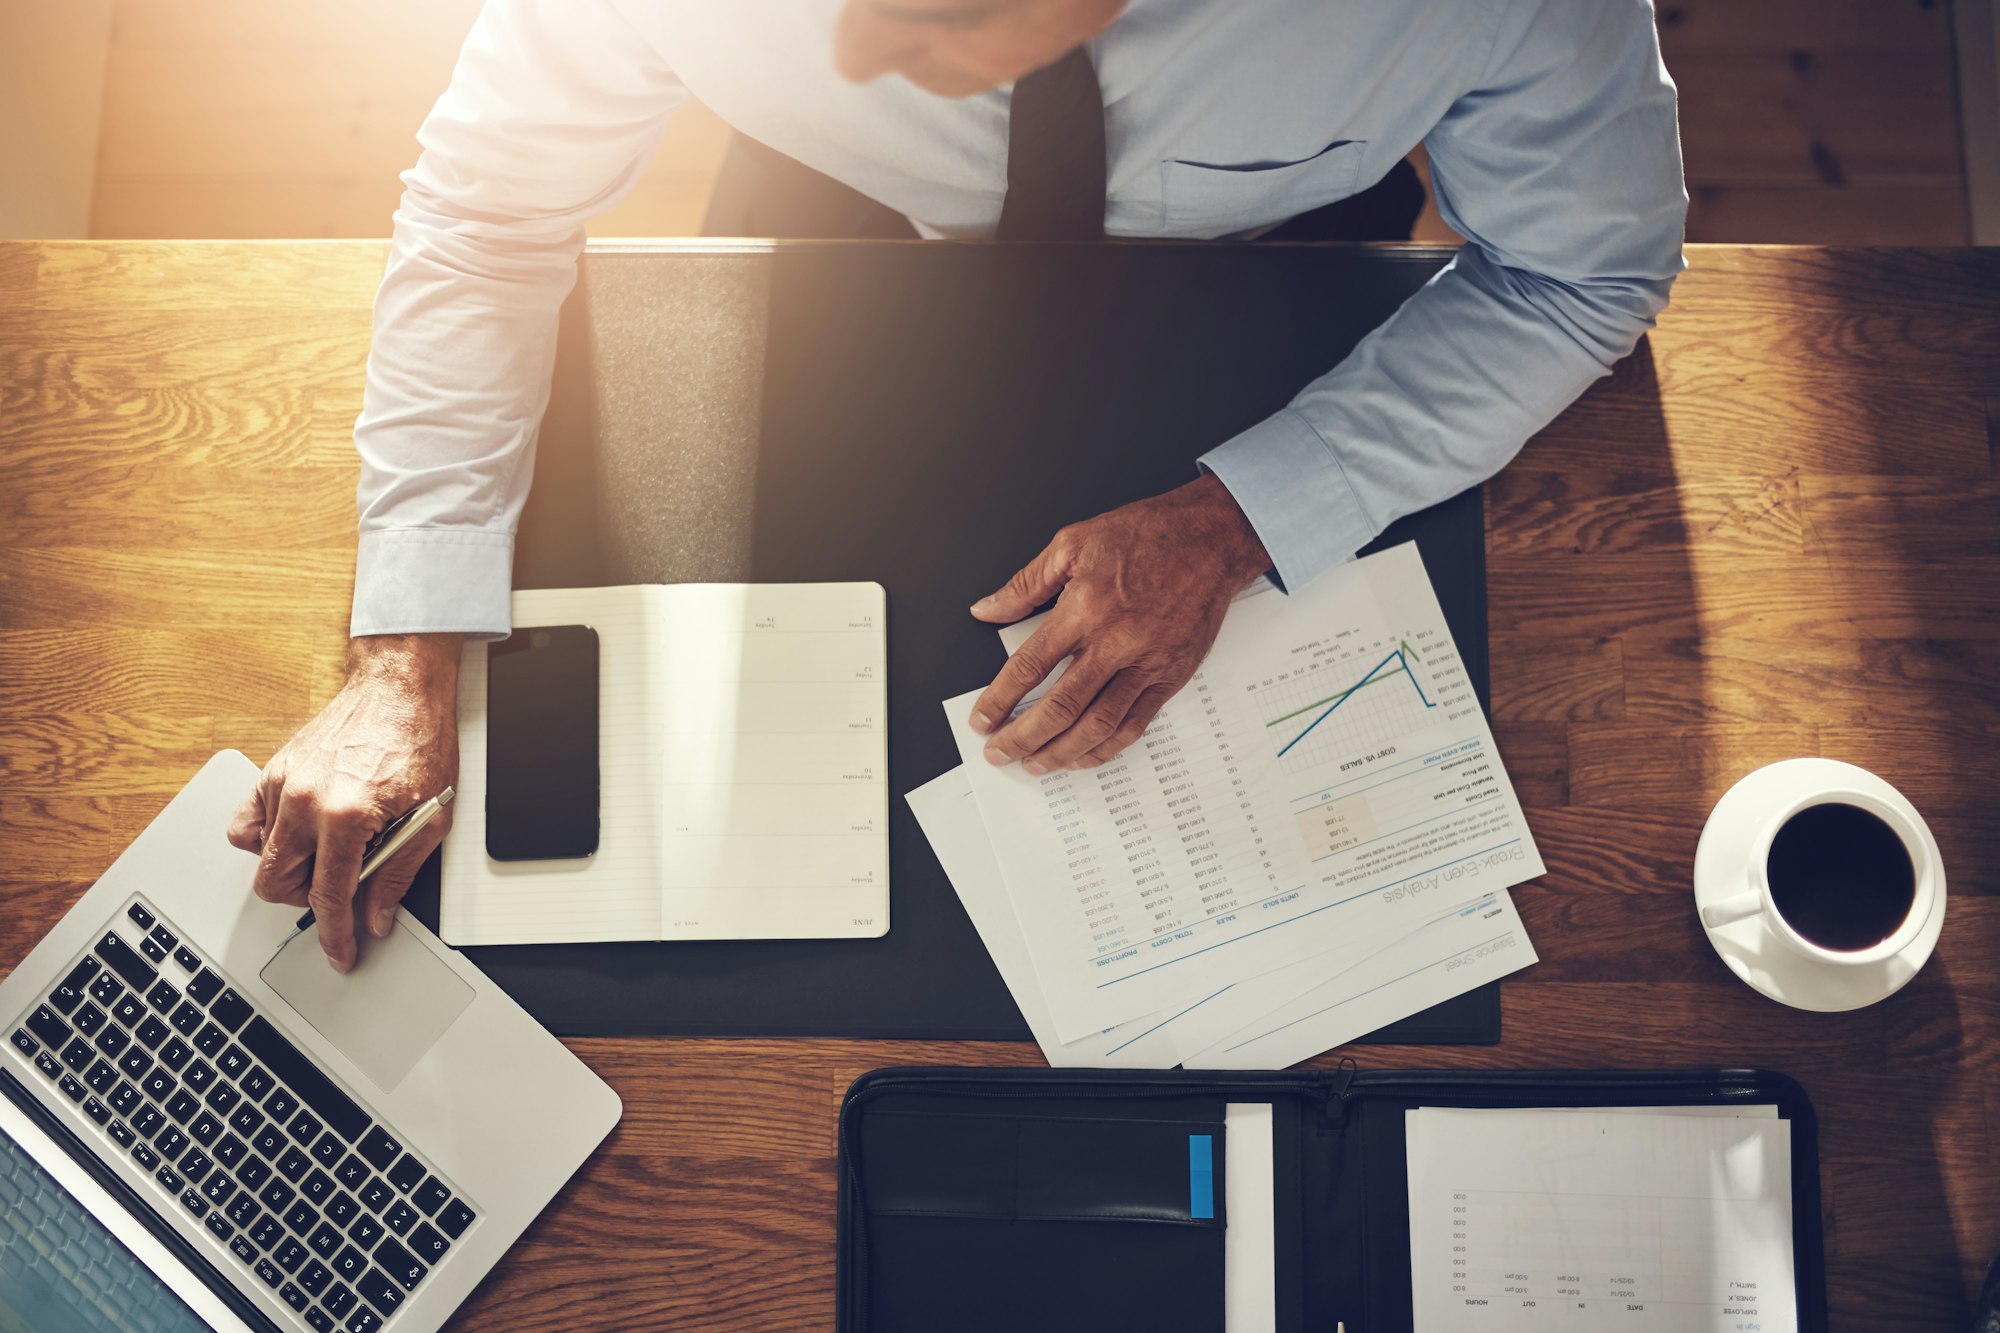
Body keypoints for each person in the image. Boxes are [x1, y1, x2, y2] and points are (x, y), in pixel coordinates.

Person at [228, 0, 1688, 972]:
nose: (849, 43)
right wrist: (403, 641)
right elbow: (488, 208)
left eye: (930, 10)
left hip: (1251, 285)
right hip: (824, 244)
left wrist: (1245, 514)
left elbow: (1584, 273)